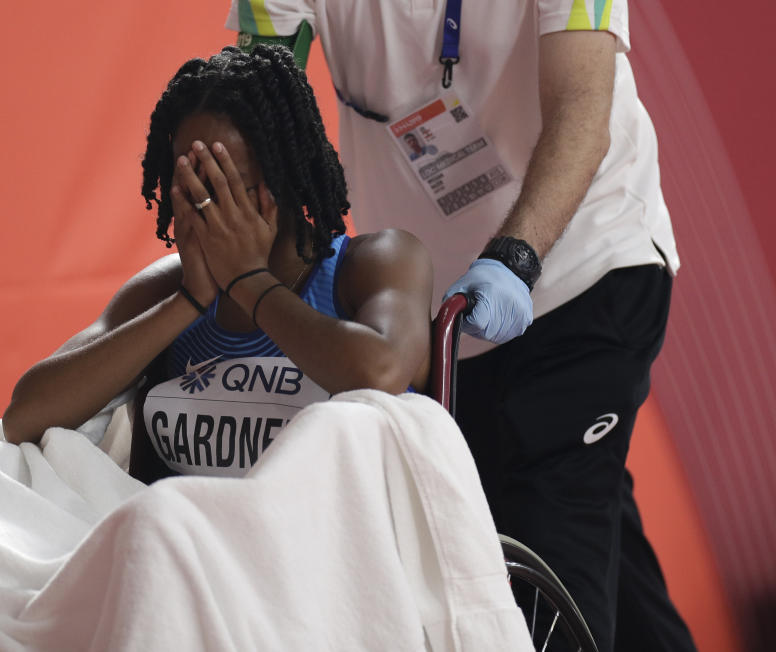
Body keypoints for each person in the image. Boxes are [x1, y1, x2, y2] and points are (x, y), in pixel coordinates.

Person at [226, 2, 697, 651]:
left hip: (585, 262)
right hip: (444, 309)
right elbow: (255, 111)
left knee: (542, 557)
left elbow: (584, 109)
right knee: (567, 513)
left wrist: (516, 258)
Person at [2, 45, 434, 480]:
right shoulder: (167, 287)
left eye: (228, 186)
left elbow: (382, 371)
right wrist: (188, 300)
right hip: (189, 539)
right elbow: (24, 416)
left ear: (284, 177)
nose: (205, 206)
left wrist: (250, 281)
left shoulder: (373, 263)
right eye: (190, 183)